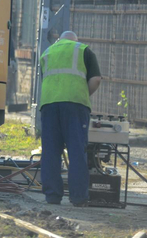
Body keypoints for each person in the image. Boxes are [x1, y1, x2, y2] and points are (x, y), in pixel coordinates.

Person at [39, 31, 101, 207]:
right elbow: (96, 80)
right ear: (75, 40)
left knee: (50, 151)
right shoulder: (83, 50)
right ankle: (78, 198)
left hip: (49, 105)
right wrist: (83, 95)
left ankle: (52, 196)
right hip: (75, 106)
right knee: (76, 152)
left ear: (59, 40)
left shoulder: (47, 53)